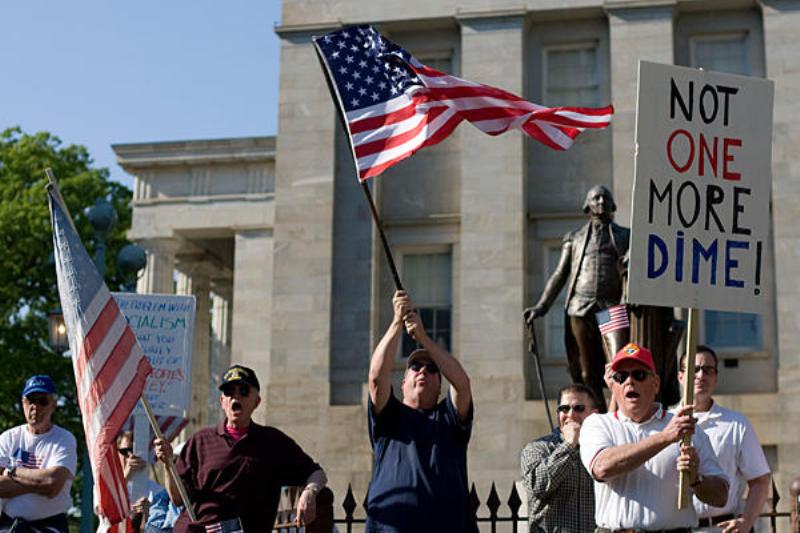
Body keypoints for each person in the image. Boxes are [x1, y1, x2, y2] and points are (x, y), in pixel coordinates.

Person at [153, 364, 327, 533]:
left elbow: (317, 473)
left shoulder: (273, 442)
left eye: (243, 391)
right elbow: (177, 498)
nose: (236, 398)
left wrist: (309, 493)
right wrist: (168, 464)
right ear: (222, 401)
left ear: (256, 401)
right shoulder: (200, 440)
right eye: (229, 392)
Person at [579, 343, 729, 532]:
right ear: (613, 386)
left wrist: (696, 479)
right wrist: (665, 437)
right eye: (621, 376)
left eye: (639, 375)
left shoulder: (685, 427)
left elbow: (721, 496)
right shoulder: (598, 424)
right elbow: (602, 468)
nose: (629, 382)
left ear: (656, 384)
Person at [366, 290, 476, 533]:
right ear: (403, 382)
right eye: (415, 366)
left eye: (432, 368)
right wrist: (396, 322)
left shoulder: (449, 417)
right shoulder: (389, 416)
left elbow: (462, 384)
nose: (423, 371)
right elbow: (375, 377)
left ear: (440, 385)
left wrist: (423, 338)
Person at [524, 185, 629, 410]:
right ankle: (597, 416)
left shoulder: (625, 236)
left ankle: (620, 413)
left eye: (605, 198)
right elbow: (559, 275)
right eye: (595, 198)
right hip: (580, 307)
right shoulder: (575, 238)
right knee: (586, 371)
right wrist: (542, 307)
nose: (600, 201)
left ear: (612, 205)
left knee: (619, 364)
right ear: (587, 205)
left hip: (611, 306)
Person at [677, 345, 771, 532]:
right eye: (693, 370)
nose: (701, 375)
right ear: (680, 377)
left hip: (721, 528)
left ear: (715, 377)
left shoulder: (736, 424)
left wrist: (746, 522)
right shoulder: (665, 422)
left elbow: (760, 480)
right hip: (678, 528)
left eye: (708, 370)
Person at [0, 375, 77, 533]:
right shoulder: (8, 437)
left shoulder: (64, 439)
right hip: (8, 525)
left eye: (43, 401)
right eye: (30, 400)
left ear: (54, 404)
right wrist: (38, 483)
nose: (35, 407)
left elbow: (51, 484)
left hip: (49, 526)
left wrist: (12, 472)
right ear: (23, 402)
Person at [520, 383, 599, 533]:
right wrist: (569, 445)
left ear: (593, 414)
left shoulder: (599, 451)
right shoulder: (537, 448)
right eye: (564, 408)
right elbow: (538, 486)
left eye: (578, 408)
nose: (570, 414)